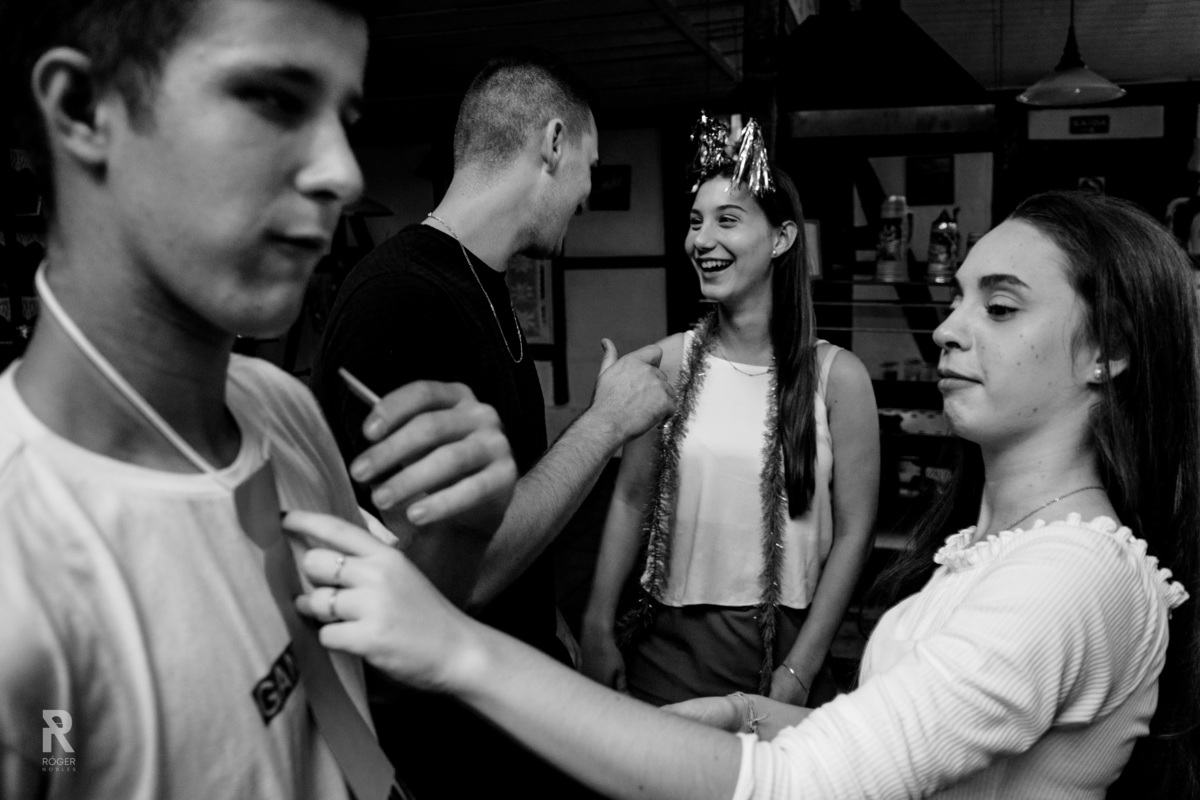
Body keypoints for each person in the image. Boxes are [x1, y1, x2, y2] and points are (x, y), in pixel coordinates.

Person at [289, 189, 1200, 799]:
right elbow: (917, 745)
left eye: (999, 308)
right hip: (676, 644)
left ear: (1109, 350)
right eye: (956, 300)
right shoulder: (1002, 554)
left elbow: (803, 785)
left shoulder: (1067, 578)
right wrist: (745, 713)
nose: (949, 331)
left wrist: (454, 646)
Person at [0, 0, 518, 796]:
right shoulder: (20, 574)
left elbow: (374, 669)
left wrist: (458, 533)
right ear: (84, 108)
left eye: (344, 119)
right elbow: (52, 754)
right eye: (275, 99)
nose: (344, 173)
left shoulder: (281, 407)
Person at [310, 51, 674, 796]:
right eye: (590, 167)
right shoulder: (399, 300)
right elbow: (454, 573)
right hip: (440, 747)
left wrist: (553, 627)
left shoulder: (482, 284)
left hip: (501, 709)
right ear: (553, 143)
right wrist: (606, 424)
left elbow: (505, 504)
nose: (587, 194)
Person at [580, 139, 879, 707]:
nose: (701, 240)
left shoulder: (839, 378)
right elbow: (629, 497)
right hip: (668, 651)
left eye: (727, 220)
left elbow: (855, 532)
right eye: (696, 222)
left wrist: (800, 670)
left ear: (782, 239)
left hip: (786, 652)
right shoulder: (667, 364)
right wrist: (596, 628)